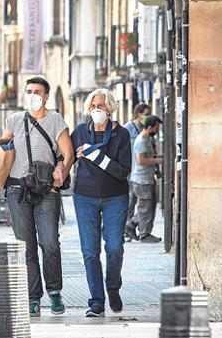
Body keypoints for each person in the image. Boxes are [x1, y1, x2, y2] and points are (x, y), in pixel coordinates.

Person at [0, 77, 74, 317]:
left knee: (49, 242)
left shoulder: (55, 120)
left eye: (37, 92)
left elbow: (68, 153)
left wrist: (58, 176)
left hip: (46, 190)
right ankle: (33, 297)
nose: (33, 95)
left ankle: (54, 291)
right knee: (26, 246)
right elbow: (2, 155)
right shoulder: (13, 120)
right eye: (29, 91)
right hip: (17, 189)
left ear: (46, 96)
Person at [71, 88, 131, 318]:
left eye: (102, 106)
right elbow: (64, 159)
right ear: (88, 108)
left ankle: (113, 287)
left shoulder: (121, 135)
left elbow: (123, 171)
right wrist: (72, 158)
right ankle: (97, 301)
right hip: (85, 197)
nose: (97, 110)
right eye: (94, 106)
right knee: (90, 251)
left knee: (114, 247)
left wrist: (97, 157)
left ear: (111, 108)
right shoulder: (80, 133)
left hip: (115, 197)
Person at [129, 115, 163, 243]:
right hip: (141, 180)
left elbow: (150, 156)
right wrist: (158, 160)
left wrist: (156, 168)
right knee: (145, 208)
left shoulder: (148, 139)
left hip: (147, 178)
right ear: (149, 128)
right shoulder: (141, 141)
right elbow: (141, 160)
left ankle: (131, 225)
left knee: (148, 207)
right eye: (156, 128)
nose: (157, 130)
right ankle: (144, 234)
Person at [123, 103, 151, 241]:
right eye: (146, 114)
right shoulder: (127, 129)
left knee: (138, 201)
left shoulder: (145, 129)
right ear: (138, 114)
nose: (148, 117)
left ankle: (133, 227)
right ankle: (125, 229)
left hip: (139, 172)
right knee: (130, 200)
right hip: (130, 170)